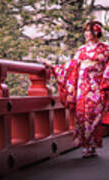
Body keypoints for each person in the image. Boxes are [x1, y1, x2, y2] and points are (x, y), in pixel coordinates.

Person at [44, 21, 109, 158]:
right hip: (82, 87)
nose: (86, 34)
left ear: (96, 32)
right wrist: (56, 68)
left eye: (89, 31)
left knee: (94, 116)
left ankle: (93, 145)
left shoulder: (105, 49)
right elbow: (71, 66)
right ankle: (85, 146)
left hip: (97, 86)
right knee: (81, 116)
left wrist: (105, 81)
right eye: (85, 31)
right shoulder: (81, 50)